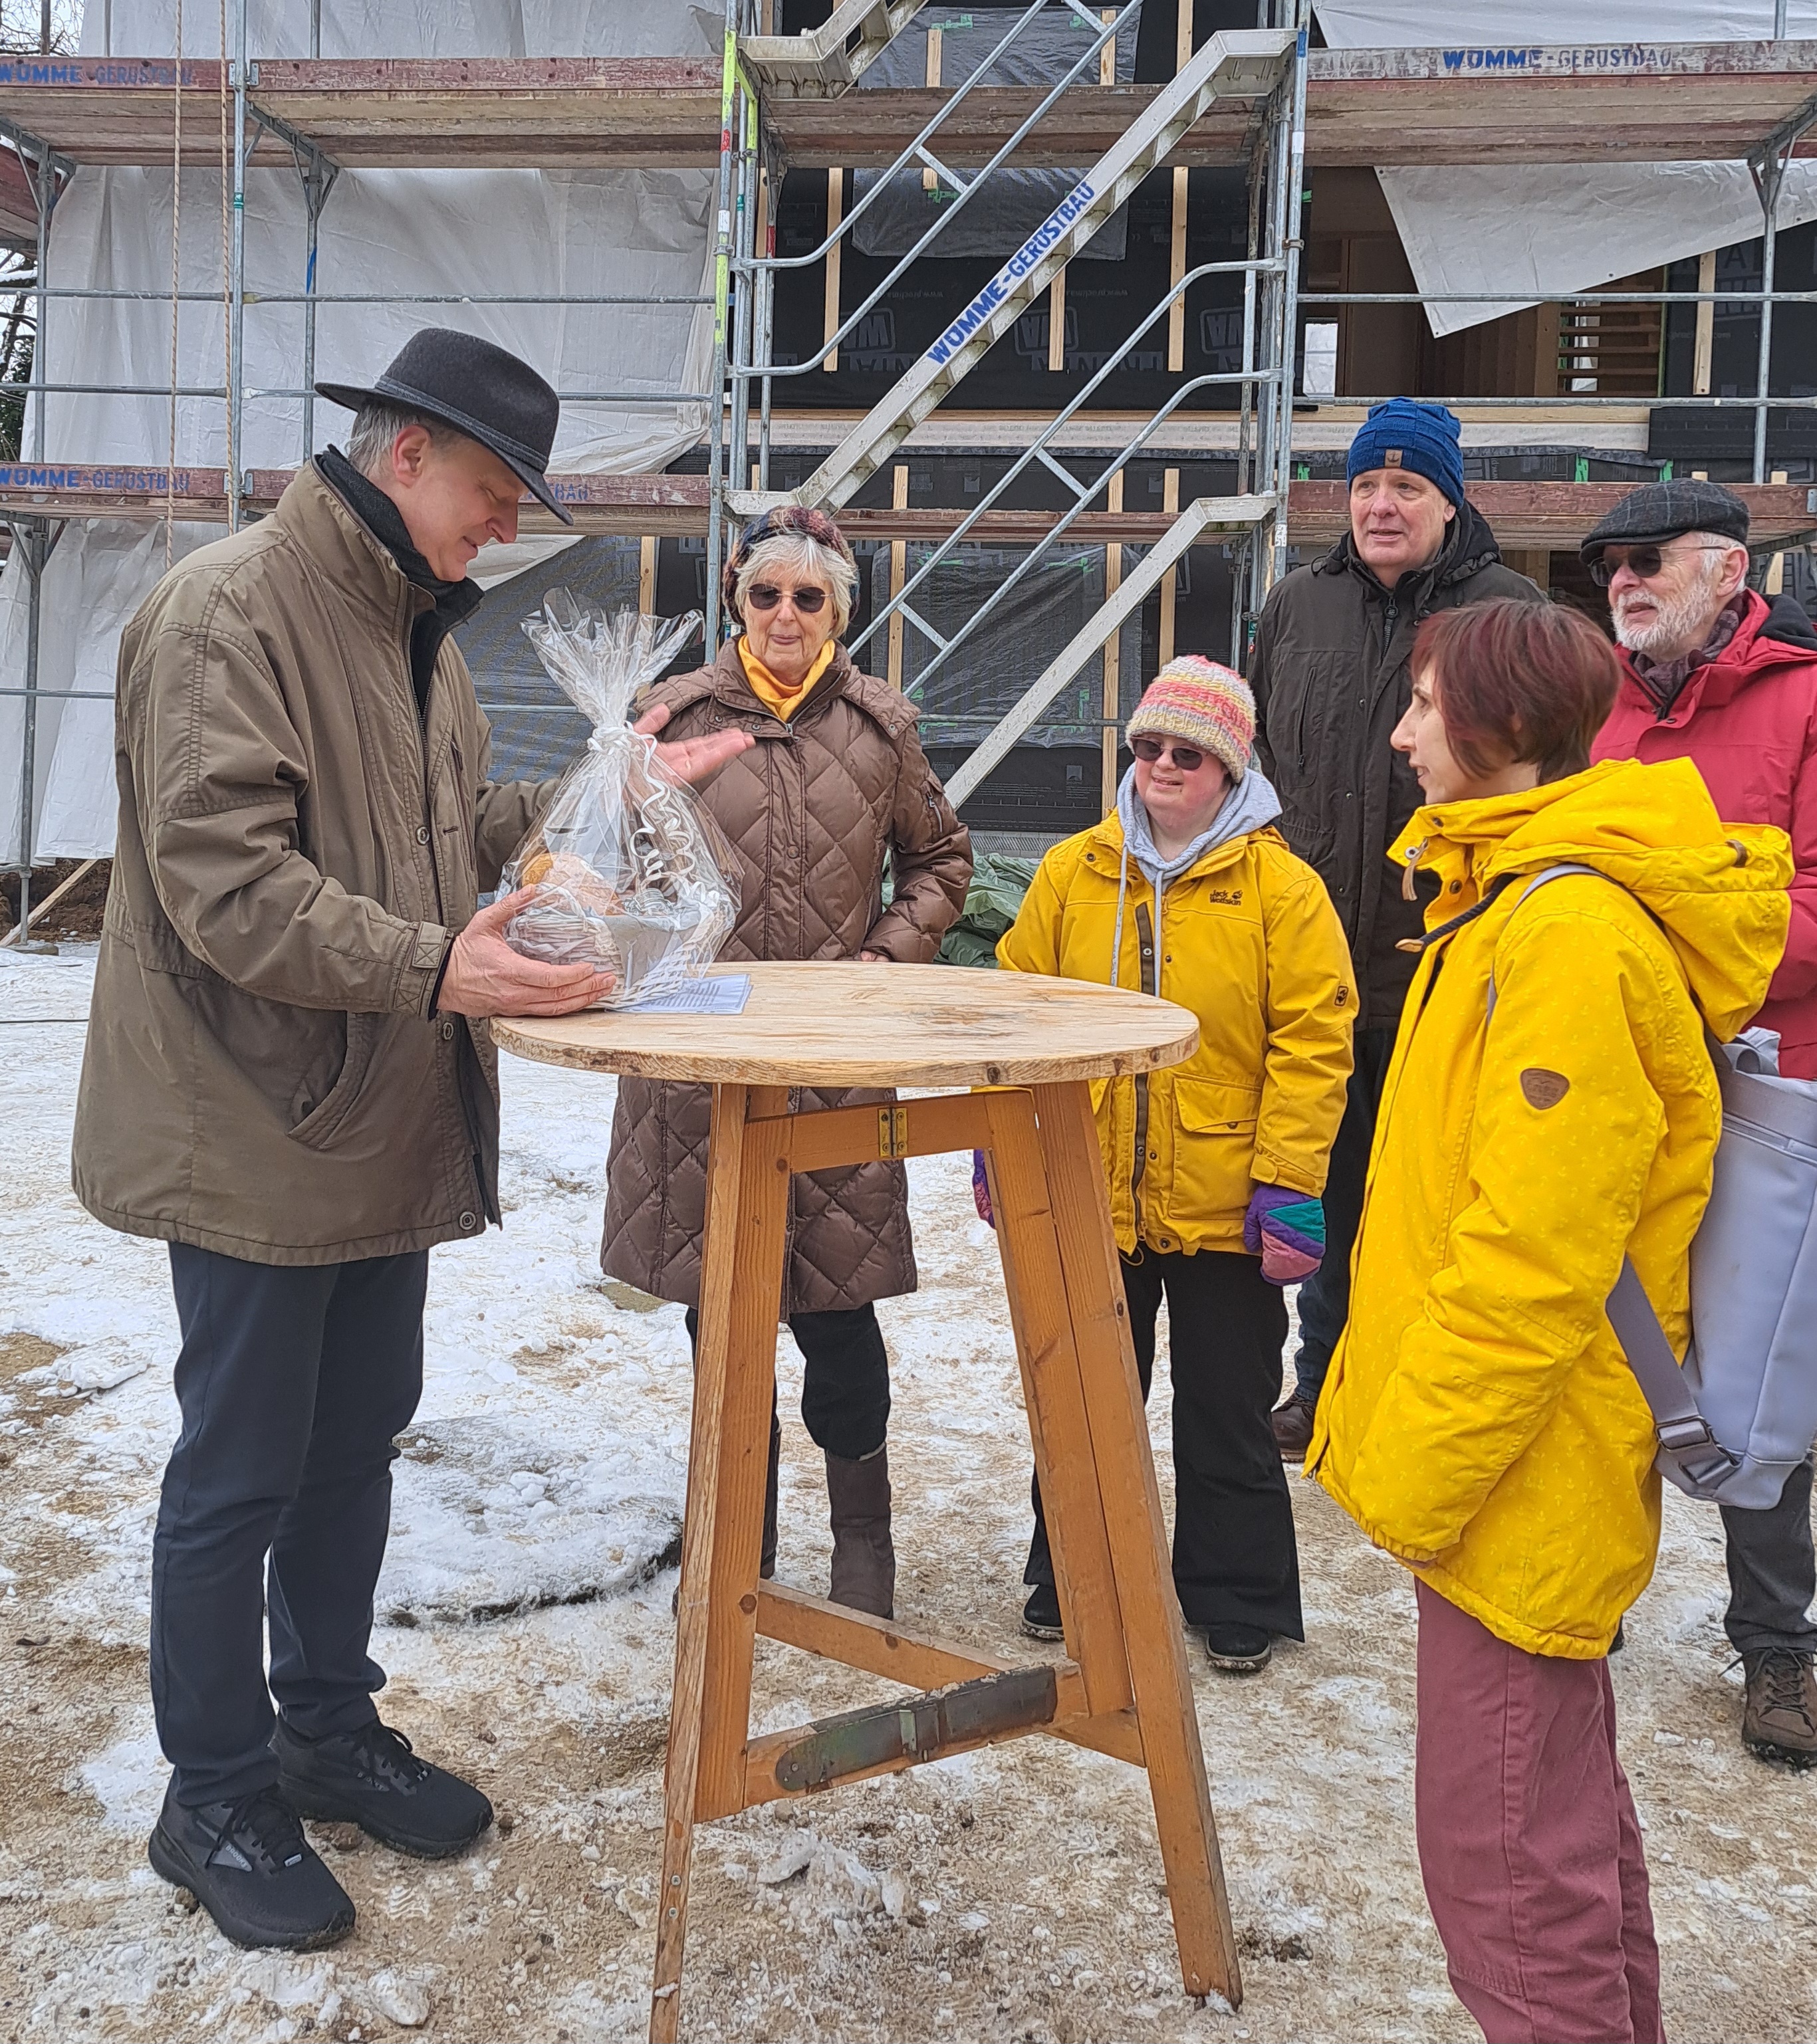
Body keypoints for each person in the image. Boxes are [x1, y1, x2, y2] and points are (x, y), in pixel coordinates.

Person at [70, 329, 751, 1953]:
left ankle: (321, 1723)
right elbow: (228, 883)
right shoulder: (229, 610)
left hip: (371, 1112)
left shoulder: (417, 638)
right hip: (250, 1120)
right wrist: (446, 962)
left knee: (354, 1436)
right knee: (236, 1471)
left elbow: (435, 835)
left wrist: (596, 795)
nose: (502, 529)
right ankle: (214, 1791)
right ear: (404, 459)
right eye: (493, 495)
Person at [1310, 597, 1790, 2042]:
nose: (1398, 732)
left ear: (1500, 727)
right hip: (1521, 1446)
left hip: (1518, 1461)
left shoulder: (1565, 928)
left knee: (1505, 1864)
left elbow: (1532, 1255)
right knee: (1555, 1826)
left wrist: (1417, 1476)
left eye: (1421, 702)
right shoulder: (1511, 897)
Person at [600, 507, 971, 1623]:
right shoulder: (667, 719)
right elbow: (604, 859)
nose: (785, 618)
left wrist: (881, 954)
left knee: (839, 1318)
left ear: (840, 612)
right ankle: (733, 1539)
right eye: (766, 596)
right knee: (722, 1319)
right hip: (698, 1062)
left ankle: (864, 1545)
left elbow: (941, 859)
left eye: (809, 599)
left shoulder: (879, 727)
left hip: (830, 1063)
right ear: (736, 603)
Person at [993, 658, 1353, 1672]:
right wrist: (1004, 1147)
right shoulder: (1073, 872)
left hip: (1225, 1200)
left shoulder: (1280, 888)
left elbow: (1313, 1039)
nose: (1160, 766)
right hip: (1087, 1186)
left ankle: (1234, 1591)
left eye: (1185, 754)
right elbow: (1019, 1009)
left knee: (1225, 1404)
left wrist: (1288, 1182)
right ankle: (1071, 1573)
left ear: (1228, 771)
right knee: (1085, 1396)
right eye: (1147, 747)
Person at [1251, 398, 1543, 1460]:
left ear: (1447, 500)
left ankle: (1408, 1385)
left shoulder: (1503, 611)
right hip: (1312, 960)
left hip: (1442, 959)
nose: (1381, 505)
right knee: (1317, 1185)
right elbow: (1264, 768)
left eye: (1407, 487)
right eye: (1365, 486)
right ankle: (1319, 1380)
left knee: (1427, 1186)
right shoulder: (1293, 607)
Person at [1582, 477, 1817, 1767]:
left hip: (1764, 1081)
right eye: (1610, 559)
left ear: (1727, 571)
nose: (1620, 575)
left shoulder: (1805, 698)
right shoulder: (1603, 711)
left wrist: (1675, 950)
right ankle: (1583, 1599)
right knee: (1611, 1338)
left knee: (1745, 1366)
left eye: (1646, 557)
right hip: (1625, 1076)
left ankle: (1775, 1641)